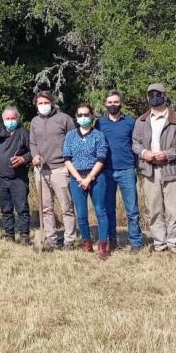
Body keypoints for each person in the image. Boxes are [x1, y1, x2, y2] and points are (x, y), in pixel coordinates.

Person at [132, 84, 176, 255]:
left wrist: (168, 155)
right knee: (154, 209)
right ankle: (159, 243)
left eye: (158, 94)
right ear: (147, 97)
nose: (155, 97)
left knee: (173, 209)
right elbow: (135, 143)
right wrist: (144, 153)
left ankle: (175, 244)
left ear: (164, 95)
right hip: (149, 170)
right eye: (151, 94)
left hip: (172, 168)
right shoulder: (141, 120)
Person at [30, 90, 77, 250]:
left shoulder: (64, 119)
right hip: (42, 171)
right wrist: (35, 156)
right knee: (46, 208)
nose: (43, 106)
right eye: (40, 103)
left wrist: (69, 162)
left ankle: (69, 240)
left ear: (52, 103)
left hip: (61, 169)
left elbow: (73, 140)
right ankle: (51, 239)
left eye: (46, 103)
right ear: (36, 105)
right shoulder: (34, 121)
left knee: (67, 207)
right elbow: (33, 143)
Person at [63, 104, 111, 258]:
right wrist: (79, 178)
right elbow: (67, 159)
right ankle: (87, 243)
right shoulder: (70, 135)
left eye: (86, 115)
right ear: (76, 117)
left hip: (96, 177)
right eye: (80, 115)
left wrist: (89, 177)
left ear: (91, 116)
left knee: (100, 211)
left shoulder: (98, 135)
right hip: (77, 178)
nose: (83, 118)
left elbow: (101, 158)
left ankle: (103, 245)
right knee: (81, 215)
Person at [96, 91, 142, 253]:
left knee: (132, 210)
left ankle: (135, 242)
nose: (113, 105)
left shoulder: (131, 122)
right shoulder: (99, 123)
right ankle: (112, 240)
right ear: (105, 104)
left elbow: (136, 144)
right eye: (110, 102)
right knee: (109, 209)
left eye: (116, 102)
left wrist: (134, 164)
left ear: (121, 103)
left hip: (127, 170)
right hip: (106, 171)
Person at [0, 106, 33, 245]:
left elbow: (34, 151)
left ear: (18, 119)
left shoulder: (24, 133)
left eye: (13, 118)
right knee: (5, 209)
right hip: (0, 178)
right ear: (3, 120)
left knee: (22, 208)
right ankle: (9, 234)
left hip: (18, 178)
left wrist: (23, 159)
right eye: (8, 119)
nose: (10, 121)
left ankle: (24, 235)